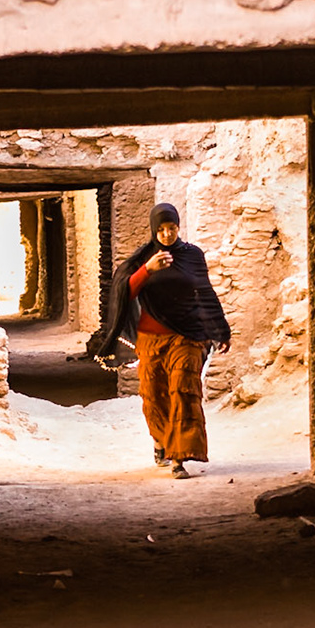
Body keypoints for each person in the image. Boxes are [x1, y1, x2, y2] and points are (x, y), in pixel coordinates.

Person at [90, 203, 230, 477]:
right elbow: (124, 293)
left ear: (179, 228)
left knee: (184, 391)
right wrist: (148, 270)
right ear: (154, 230)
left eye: (172, 229)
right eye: (161, 230)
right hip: (151, 339)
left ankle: (178, 458)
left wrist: (219, 329)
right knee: (155, 396)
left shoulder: (192, 256)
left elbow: (205, 291)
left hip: (187, 336)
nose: (167, 234)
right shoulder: (143, 258)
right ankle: (161, 442)